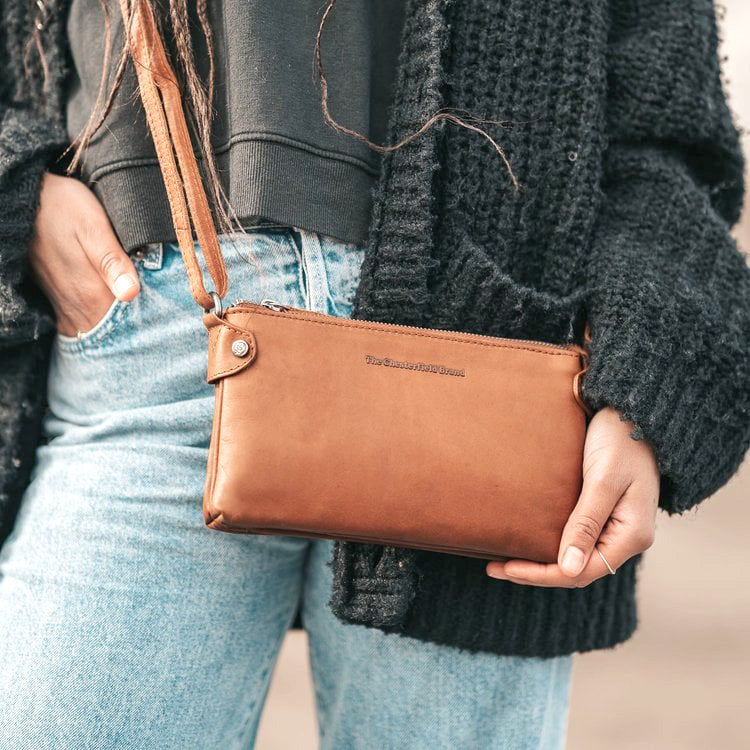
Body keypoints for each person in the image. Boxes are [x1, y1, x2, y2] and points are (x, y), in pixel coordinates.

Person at [0, 1, 748, 748]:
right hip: (158, 331)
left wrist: (641, 384)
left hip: (490, 385)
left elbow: (670, 138)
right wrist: (16, 190)